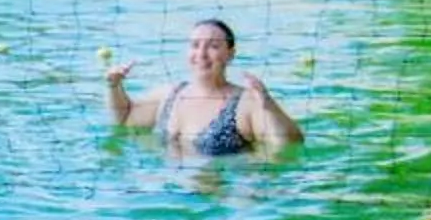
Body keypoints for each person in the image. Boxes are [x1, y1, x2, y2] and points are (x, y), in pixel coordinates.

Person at [106, 18, 305, 154]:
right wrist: (114, 87)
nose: (201, 54)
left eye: (213, 46)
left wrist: (268, 105)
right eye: (195, 45)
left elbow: (288, 146)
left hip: (218, 200)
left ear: (230, 54)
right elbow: (125, 119)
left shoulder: (247, 103)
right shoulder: (169, 94)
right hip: (167, 196)